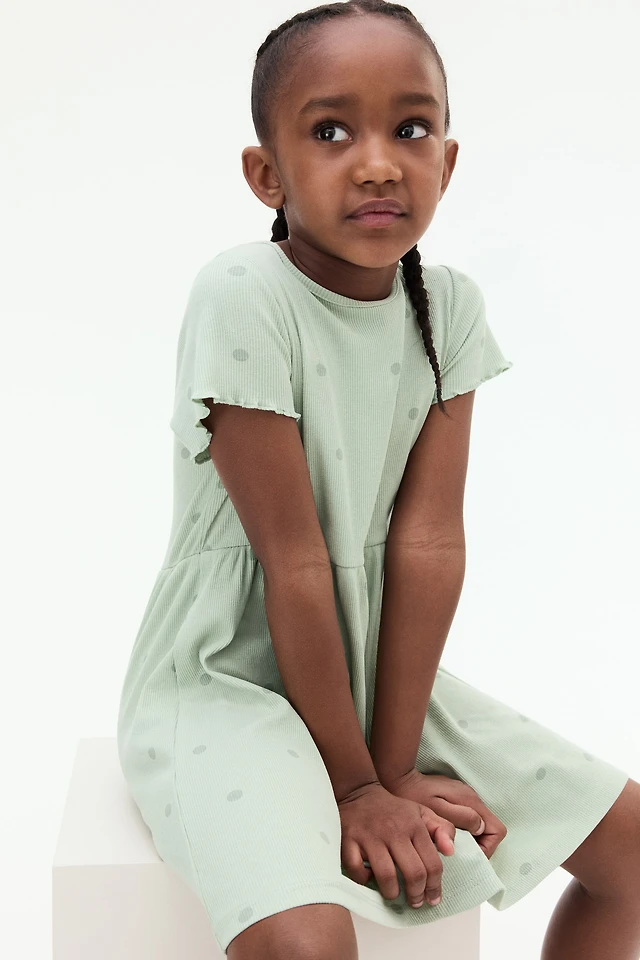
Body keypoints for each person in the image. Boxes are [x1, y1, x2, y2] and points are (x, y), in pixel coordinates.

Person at [116, 2, 639, 958]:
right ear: (266, 174)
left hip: (372, 672)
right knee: (310, 940)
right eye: (330, 132)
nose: (377, 163)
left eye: (411, 128)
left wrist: (390, 766)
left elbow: (429, 544)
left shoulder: (448, 308)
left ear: (448, 160)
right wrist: (355, 788)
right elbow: (294, 559)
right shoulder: (245, 293)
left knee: (637, 851)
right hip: (228, 674)